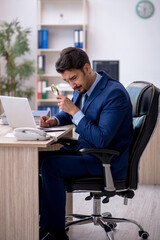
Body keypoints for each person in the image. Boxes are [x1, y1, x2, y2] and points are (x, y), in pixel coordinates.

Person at [39, 47, 133, 240]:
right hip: (86, 151)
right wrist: (54, 121)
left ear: (87, 68)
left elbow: (101, 138)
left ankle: (55, 232)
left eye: (73, 78)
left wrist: (74, 111)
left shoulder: (114, 93)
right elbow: (72, 112)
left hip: (105, 160)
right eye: (67, 81)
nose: (72, 85)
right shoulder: (85, 87)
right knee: (35, 159)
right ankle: (46, 222)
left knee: (50, 165)